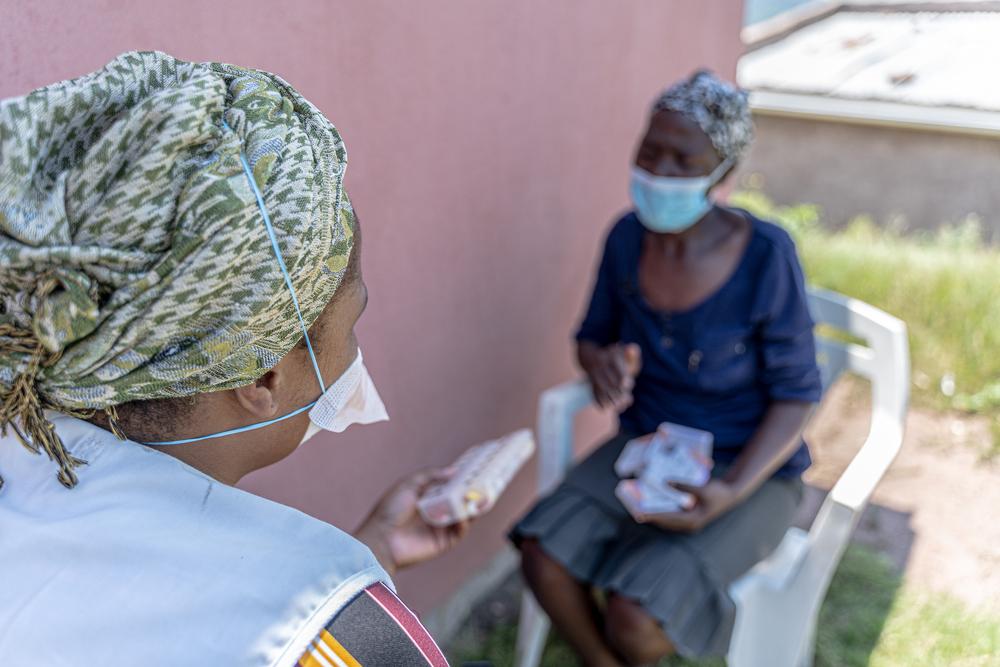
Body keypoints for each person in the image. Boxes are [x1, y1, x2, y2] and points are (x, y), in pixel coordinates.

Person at [0, 52, 463, 666]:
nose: (354, 356)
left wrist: (375, 542)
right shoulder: (335, 630)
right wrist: (346, 592)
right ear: (263, 374)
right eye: (350, 324)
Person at [510, 71, 823, 666]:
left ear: (722, 175)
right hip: (647, 445)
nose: (659, 173)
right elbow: (591, 338)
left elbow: (797, 397)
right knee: (541, 554)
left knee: (636, 616)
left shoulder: (765, 257)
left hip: (749, 468)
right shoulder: (627, 238)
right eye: (650, 151)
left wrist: (728, 492)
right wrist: (600, 361)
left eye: (684, 161)